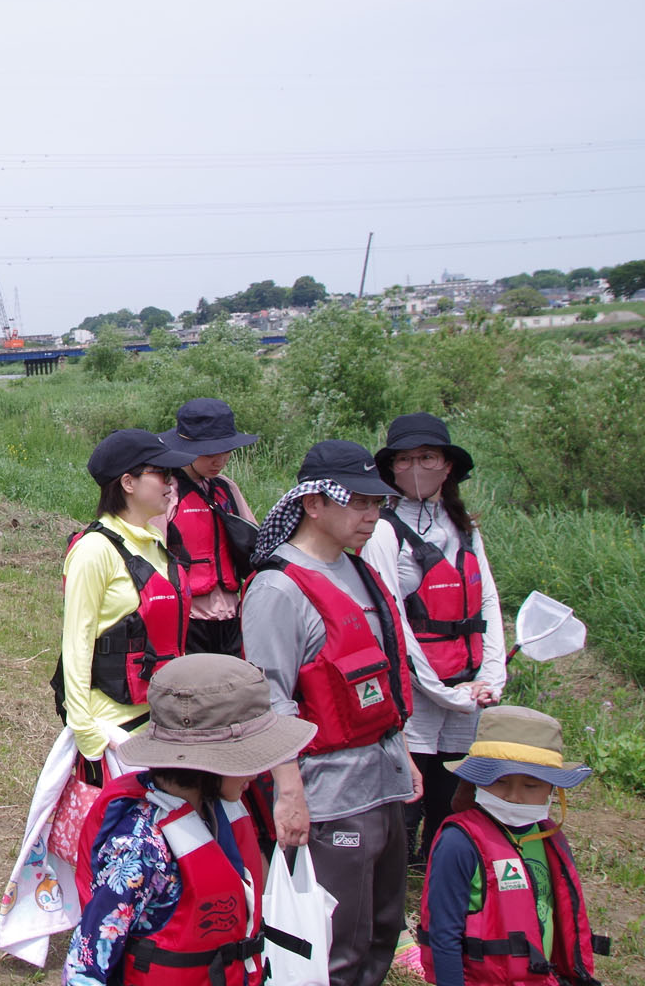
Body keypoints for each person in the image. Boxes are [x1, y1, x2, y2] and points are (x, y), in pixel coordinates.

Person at [241, 440, 423, 986]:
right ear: (314, 504)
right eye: (360, 502)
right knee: (336, 943)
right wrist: (289, 794)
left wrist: (405, 756)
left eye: (379, 504)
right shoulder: (278, 588)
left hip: (383, 782)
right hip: (330, 793)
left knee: (382, 928)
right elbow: (269, 699)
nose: (372, 516)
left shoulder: (360, 571)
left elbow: (382, 682)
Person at [67, 655, 317, 986]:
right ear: (208, 762)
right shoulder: (141, 847)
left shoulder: (217, 810)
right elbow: (86, 965)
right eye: (250, 757)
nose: (257, 773)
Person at [361, 413, 504, 866]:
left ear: (447, 466)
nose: (416, 467)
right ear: (391, 470)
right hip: (418, 688)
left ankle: (440, 868)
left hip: (468, 682)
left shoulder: (465, 528)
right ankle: (395, 879)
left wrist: (491, 679)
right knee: (410, 792)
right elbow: (391, 621)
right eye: (404, 460)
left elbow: (489, 607)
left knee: (452, 790)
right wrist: (442, 691)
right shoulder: (383, 531)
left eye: (427, 457)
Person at [417, 707, 603, 986]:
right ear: (475, 780)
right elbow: (444, 933)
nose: (514, 796)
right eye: (500, 781)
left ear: (553, 790)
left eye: (531, 785)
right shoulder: (459, 843)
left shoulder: (548, 837)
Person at [57, 429, 197, 776]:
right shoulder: (94, 550)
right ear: (128, 483)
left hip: (163, 718)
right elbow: (77, 641)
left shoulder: (156, 542)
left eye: (172, 475)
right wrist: (86, 732)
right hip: (115, 731)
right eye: (161, 473)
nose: (170, 483)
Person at [157, 398, 260, 658]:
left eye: (226, 451)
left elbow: (254, 540)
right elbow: (151, 555)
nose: (220, 460)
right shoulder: (168, 492)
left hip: (231, 615)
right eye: (210, 453)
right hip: (187, 616)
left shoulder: (227, 489)